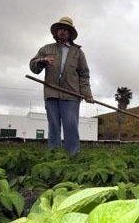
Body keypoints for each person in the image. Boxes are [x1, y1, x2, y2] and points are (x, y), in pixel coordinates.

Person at [30, 16, 93, 155]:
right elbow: (33, 67)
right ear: (56, 32)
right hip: (51, 94)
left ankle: (73, 156)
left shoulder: (78, 52)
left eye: (66, 29)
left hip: (71, 95)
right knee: (53, 127)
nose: (63, 31)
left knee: (71, 126)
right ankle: (55, 157)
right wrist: (42, 61)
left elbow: (84, 74)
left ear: (70, 33)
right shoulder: (46, 49)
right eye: (60, 29)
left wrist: (87, 93)